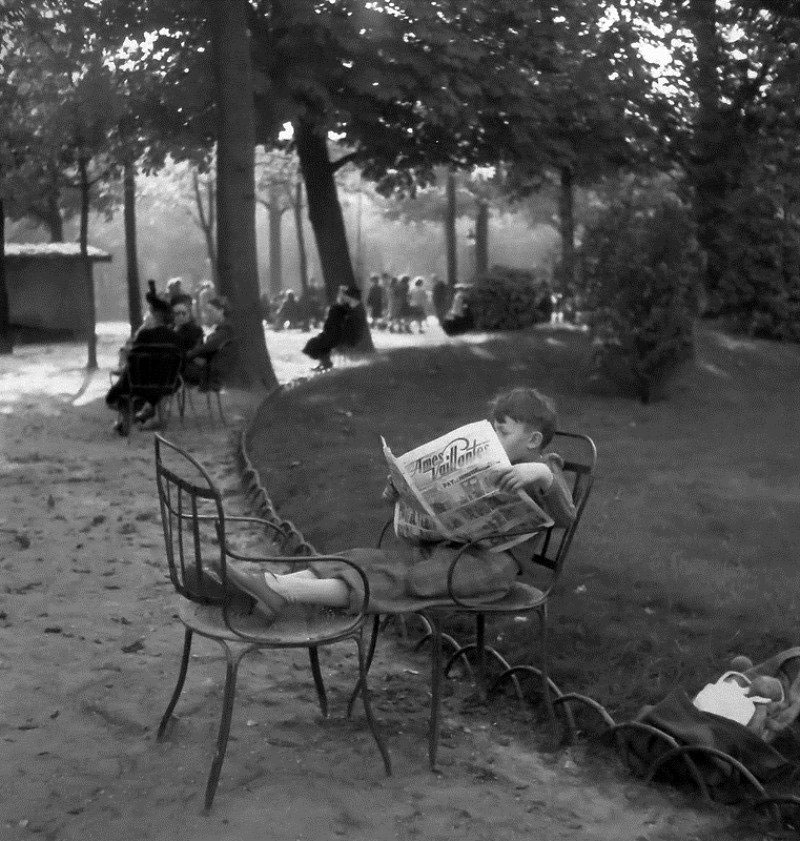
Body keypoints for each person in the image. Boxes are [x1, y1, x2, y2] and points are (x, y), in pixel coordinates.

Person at [214, 386, 577, 619]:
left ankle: (280, 591)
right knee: (361, 558)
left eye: (504, 431)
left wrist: (541, 476)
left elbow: (566, 514)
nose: (495, 436)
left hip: (488, 571)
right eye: (492, 428)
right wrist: (408, 497)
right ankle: (269, 585)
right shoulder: (481, 467)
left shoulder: (544, 468)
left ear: (532, 441)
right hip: (445, 553)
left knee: (401, 579)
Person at [105, 281, 181, 435]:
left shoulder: (145, 335)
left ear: (155, 315)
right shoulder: (176, 338)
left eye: (151, 312)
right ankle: (144, 414)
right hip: (166, 384)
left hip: (138, 385)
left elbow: (132, 360)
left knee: (114, 395)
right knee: (160, 385)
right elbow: (181, 363)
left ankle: (128, 416)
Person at [301, 284, 368, 371]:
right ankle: (324, 362)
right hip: (332, 332)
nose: (339, 295)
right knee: (317, 342)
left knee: (317, 343)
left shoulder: (346, 307)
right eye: (339, 293)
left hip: (337, 334)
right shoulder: (339, 306)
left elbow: (346, 321)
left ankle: (326, 363)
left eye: (341, 294)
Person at [183, 295, 235, 391]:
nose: (207, 314)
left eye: (210, 311)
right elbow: (204, 345)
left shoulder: (226, 329)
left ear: (221, 311)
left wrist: (189, 355)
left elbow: (209, 346)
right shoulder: (218, 328)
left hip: (212, 373)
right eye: (206, 311)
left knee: (173, 370)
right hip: (208, 368)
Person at [171, 294, 204, 362]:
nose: (181, 316)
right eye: (177, 313)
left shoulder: (196, 330)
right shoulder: (168, 329)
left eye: (183, 313)